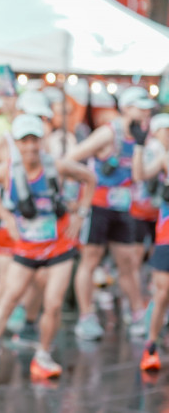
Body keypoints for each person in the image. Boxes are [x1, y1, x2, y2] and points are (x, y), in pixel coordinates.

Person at [0, 114, 96, 384]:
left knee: (53, 304)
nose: (30, 146)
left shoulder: (56, 166)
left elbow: (89, 178)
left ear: (42, 142)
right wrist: (1, 215)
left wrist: (81, 214)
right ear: (16, 143)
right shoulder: (6, 171)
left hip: (59, 246)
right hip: (26, 247)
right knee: (8, 299)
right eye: (24, 141)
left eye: (35, 140)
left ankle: (43, 356)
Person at [66, 86, 154, 340]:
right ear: (126, 108)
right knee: (91, 260)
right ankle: (86, 316)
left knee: (128, 261)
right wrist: (80, 193)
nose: (145, 114)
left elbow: (138, 176)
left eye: (148, 110)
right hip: (98, 206)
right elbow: (71, 159)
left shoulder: (140, 136)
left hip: (123, 206)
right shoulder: (109, 133)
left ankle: (137, 313)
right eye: (140, 109)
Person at [132, 113, 169, 370]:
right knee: (162, 291)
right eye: (164, 130)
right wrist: (138, 145)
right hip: (166, 235)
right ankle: (151, 345)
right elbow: (140, 174)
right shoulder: (164, 157)